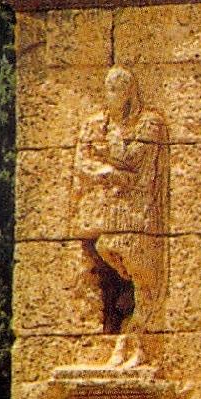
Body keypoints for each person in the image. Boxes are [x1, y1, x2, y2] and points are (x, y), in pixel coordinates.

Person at [70, 66, 166, 367]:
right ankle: (128, 324)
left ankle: (136, 339)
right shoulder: (98, 124)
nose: (113, 95)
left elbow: (133, 158)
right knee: (108, 252)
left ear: (130, 92)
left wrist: (102, 153)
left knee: (140, 270)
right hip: (111, 206)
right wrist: (107, 171)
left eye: (119, 89)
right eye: (109, 88)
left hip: (140, 209)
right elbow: (82, 162)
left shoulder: (149, 122)